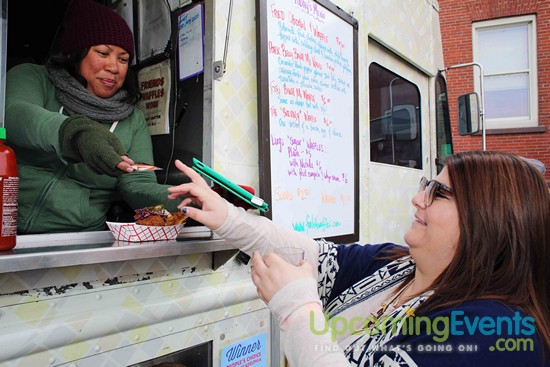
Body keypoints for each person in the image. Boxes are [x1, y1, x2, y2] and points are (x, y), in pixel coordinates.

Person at [167, 150, 550, 366]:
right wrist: (228, 217)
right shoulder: (397, 266)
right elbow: (312, 254)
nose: (418, 198)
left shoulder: (498, 331)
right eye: (425, 185)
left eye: (438, 192)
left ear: (487, 221)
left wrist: (299, 309)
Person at [5, 0, 179, 233]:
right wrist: (76, 133)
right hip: (6, 227)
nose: (114, 67)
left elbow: (137, 184)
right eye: (103, 53)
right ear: (77, 53)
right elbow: (14, 114)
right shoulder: (33, 78)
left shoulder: (133, 120)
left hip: (79, 238)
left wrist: (183, 200)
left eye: (123, 59)